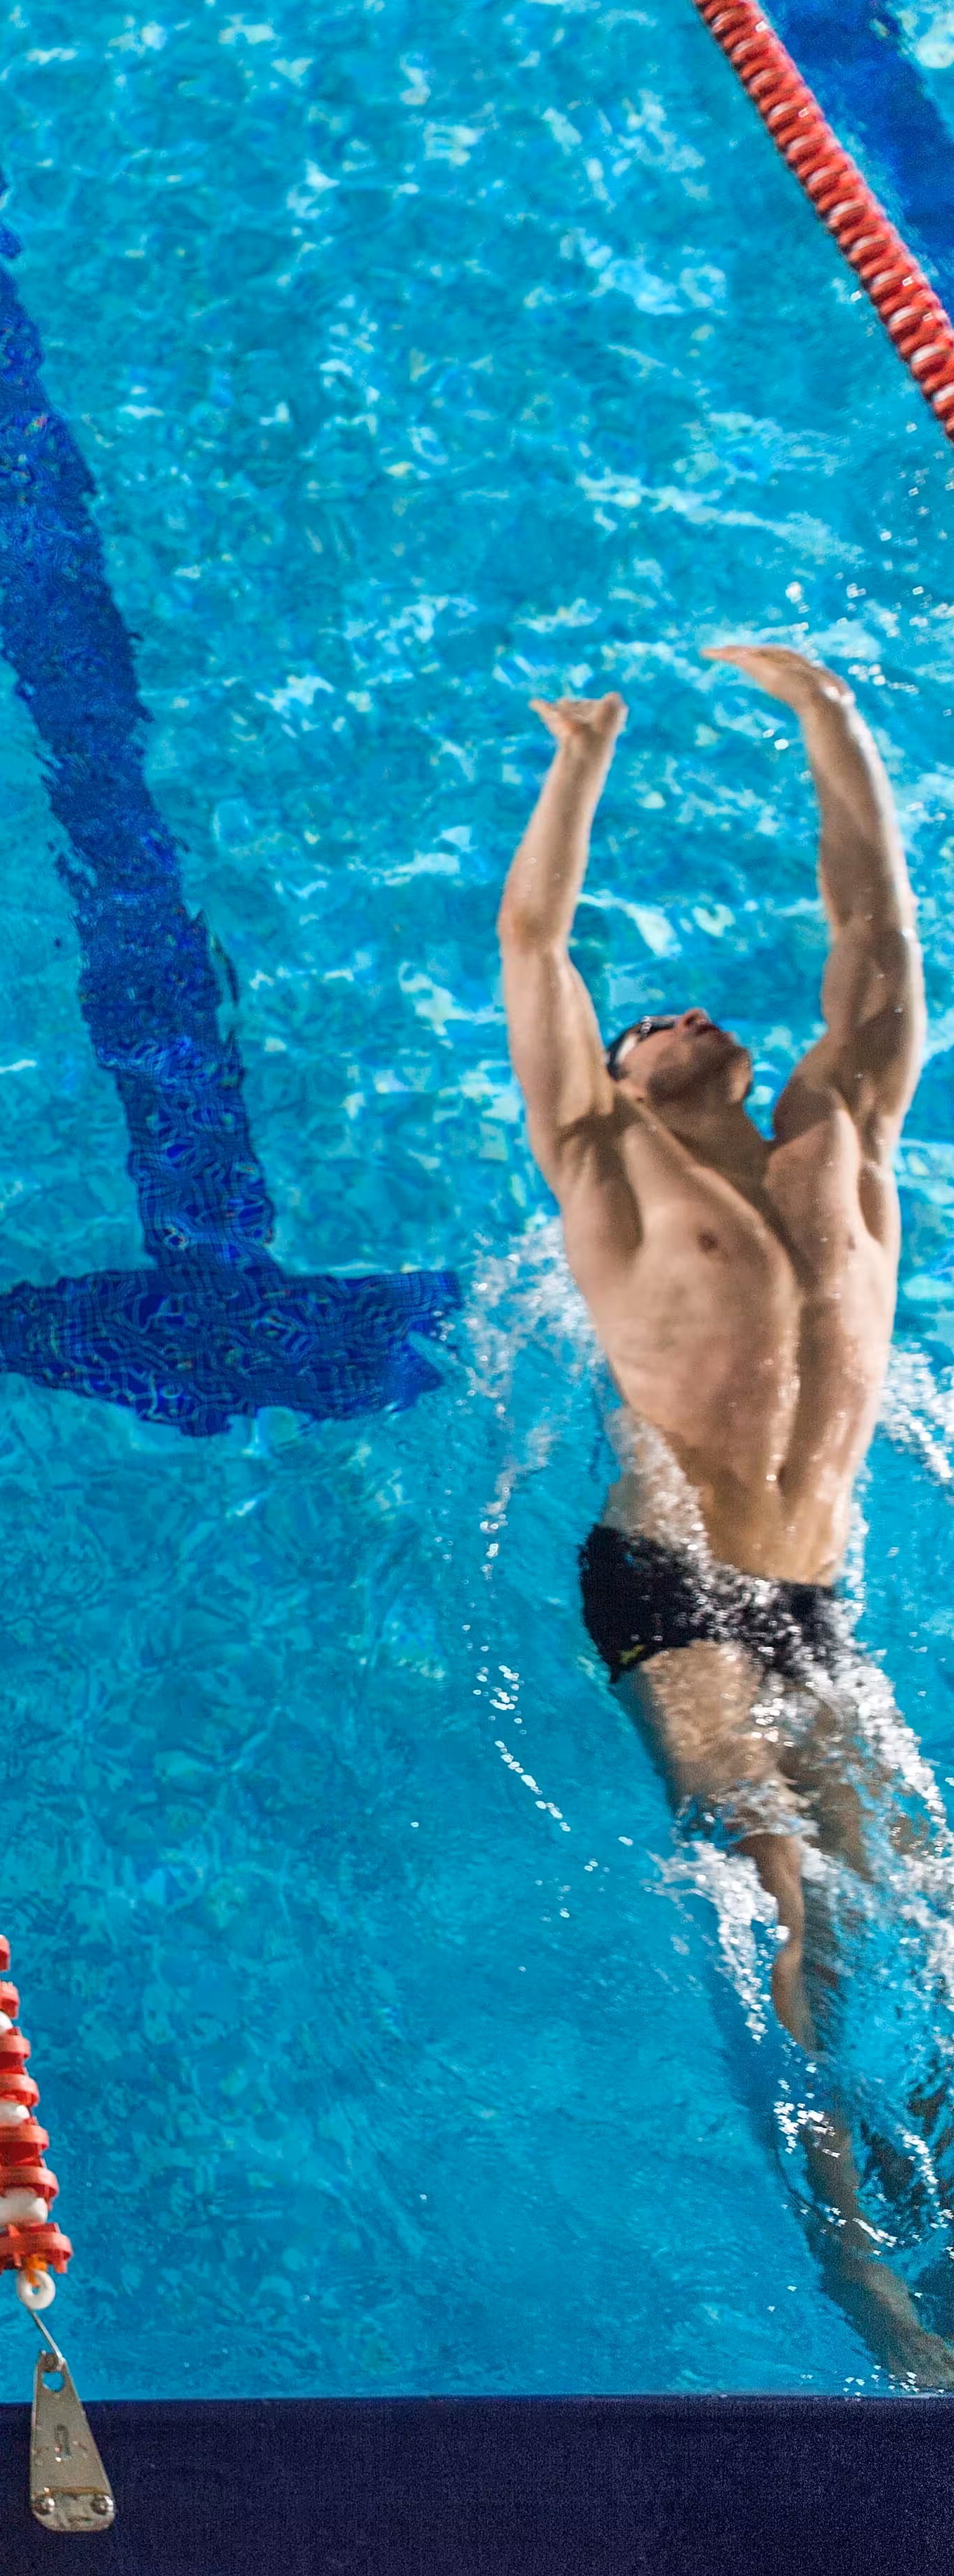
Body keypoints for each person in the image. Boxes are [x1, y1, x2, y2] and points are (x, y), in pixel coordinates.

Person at [501, 642, 953, 2383]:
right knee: (779, 1884)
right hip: (668, 1585)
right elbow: (534, 948)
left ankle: (938, 2201)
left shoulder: (846, 1135)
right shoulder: (605, 1166)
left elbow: (879, 933)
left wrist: (829, 718)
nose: (670, 1013)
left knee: (917, 1903)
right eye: (640, 1026)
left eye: (687, 1012)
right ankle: (865, 2287)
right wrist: (580, 760)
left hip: (812, 1602)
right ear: (616, 1080)